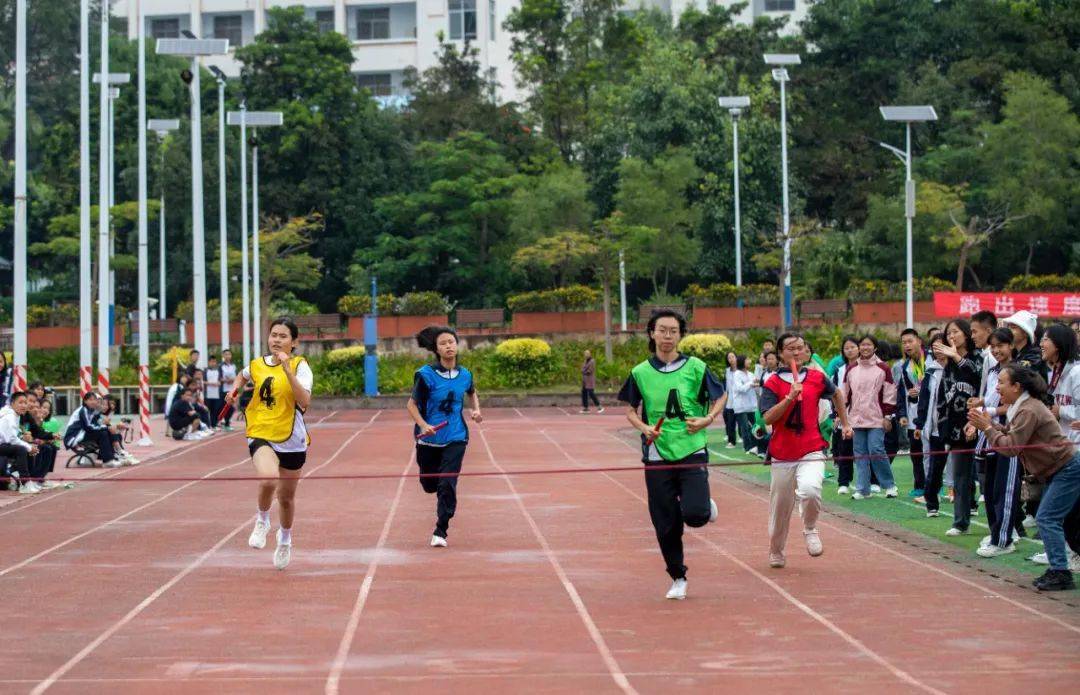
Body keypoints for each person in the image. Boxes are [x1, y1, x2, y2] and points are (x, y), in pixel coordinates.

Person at [619, 310, 724, 600]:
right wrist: (644, 427)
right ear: (651, 333)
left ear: (680, 335)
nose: (667, 336)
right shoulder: (640, 372)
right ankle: (678, 576)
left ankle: (704, 505)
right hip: (657, 454)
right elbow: (629, 409)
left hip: (691, 447)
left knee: (695, 515)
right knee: (665, 522)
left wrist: (708, 419)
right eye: (662, 330)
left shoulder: (696, 367)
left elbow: (720, 394)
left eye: (673, 331)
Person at [969, 365, 1080, 591]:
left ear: (1017, 387)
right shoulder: (1021, 407)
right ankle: (1061, 568)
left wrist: (988, 427)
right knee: (1068, 523)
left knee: (1047, 518)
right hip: (1057, 470)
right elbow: (1012, 435)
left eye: (1001, 383)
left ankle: (1060, 572)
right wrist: (991, 426)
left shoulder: (1028, 409)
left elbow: (1011, 447)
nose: (997, 387)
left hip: (1067, 469)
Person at [225, 317, 313, 571]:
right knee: (267, 479)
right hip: (261, 431)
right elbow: (242, 377)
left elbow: (304, 400)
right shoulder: (257, 364)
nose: (277, 340)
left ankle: (285, 540)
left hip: (291, 439)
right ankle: (262, 519)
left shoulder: (300, 367)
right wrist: (233, 392)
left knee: (286, 499)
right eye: (274, 335)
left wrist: (287, 371)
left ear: (294, 342)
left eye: (283, 336)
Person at [761, 333, 853, 568]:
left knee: (811, 489)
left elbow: (836, 394)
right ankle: (776, 549)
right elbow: (768, 417)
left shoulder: (816, 377)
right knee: (780, 509)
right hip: (782, 453)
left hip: (811, 447)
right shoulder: (772, 382)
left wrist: (845, 422)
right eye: (790, 348)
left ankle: (810, 528)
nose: (796, 352)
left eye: (800, 347)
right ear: (781, 353)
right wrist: (790, 397)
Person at [406, 325, 483, 548]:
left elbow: (471, 392)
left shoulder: (466, 374)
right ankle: (434, 487)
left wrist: (475, 410)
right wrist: (423, 425)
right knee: (430, 485)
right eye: (443, 343)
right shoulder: (426, 375)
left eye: (451, 342)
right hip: (429, 439)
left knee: (447, 483)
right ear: (436, 349)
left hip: (456, 436)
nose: (449, 346)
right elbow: (411, 405)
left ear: (456, 345)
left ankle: (441, 529)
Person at [967, 327, 1022, 557]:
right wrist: (978, 405)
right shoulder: (991, 371)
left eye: (1001, 345)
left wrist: (985, 411)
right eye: (993, 347)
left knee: (1005, 490)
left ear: (1011, 346)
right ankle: (996, 532)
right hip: (989, 435)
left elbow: (1013, 405)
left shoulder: (1018, 372)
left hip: (1008, 435)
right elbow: (990, 398)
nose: (997, 350)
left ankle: (1004, 539)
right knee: (989, 489)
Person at [935, 320, 984, 536]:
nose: (951, 336)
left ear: (966, 334)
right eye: (948, 333)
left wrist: (956, 356)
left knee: (985, 477)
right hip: (956, 429)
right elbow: (942, 398)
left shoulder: (979, 357)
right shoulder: (949, 366)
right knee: (961, 476)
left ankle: (1011, 526)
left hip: (981, 423)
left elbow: (977, 376)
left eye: (955, 331)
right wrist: (943, 425)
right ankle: (960, 521)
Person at [843, 335, 898, 500]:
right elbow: (845, 394)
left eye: (869, 345)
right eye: (862, 345)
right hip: (856, 419)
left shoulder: (883, 368)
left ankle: (889, 485)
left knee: (876, 450)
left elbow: (889, 394)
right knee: (860, 453)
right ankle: (862, 489)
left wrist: (888, 416)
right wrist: (842, 416)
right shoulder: (851, 368)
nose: (865, 347)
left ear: (875, 348)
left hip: (876, 418)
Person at [897, 329, 927, 498]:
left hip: (931, 416)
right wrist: (902, 414)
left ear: (919, 341)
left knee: (931, 452)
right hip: (913, 415)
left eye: (910, 341)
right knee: (916, 453)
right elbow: (901, 393)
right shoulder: (905, 367)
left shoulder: (931, 360)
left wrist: (921, 391)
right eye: (904, 342)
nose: (907, 345)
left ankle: (935, 486)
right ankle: (919, 485)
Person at [1042, 323, 1079, 444]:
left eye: (1045, 340)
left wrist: (1060, 411)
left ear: (1058, 344)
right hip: (1065, 445)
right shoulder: (1058, 371)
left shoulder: (1076, 372)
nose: (1041, 344)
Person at [832, 337, 860, 495]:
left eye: (853, 347)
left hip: (865, 415)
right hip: (846, 416)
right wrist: (837, 414)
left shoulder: (869, 367)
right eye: (846, 348)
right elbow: (835, 394)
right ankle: (844, 482)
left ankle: (871, 481)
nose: (850, 350)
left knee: (865, 450)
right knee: (845, 450)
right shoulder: (840, 370)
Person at [63, 391, 117, 467]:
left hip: (82, 434)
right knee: (103, 433)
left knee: (107, 431)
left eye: (95, 400)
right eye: (90, 400)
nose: (94, 402)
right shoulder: (83, 410)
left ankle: (113, 456)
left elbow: (97, 425)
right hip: (74, 437)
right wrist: (105, 427)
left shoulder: (92, 411)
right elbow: (88, 427)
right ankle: (108, 460)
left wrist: (106, 427)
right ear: (85, 401)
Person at [1, 392, 40, 493]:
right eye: (20, 402)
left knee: (26, 448)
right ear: (12, 403)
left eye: (25, 403)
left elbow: (11, 436)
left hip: (3, 444)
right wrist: (29, 447)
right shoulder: (9, 416)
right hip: (3, 445)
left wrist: (28, 443)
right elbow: (11, 439)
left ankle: (27, 479)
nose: (23, 405)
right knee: (21, 449)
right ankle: (25, 483)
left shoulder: (15, 415)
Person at [20, 393, 59, 488]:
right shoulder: (16, 415)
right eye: (30, 401)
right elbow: (13, 434)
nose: (33, 405)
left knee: (51, 447)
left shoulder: (28, 416)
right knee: (41, 447)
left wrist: (52, 435)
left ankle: (39, 478)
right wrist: (24, 438)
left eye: (34, 402)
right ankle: (32, 479)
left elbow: (38, 432)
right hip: (14, 444)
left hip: (26, 442)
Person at [730, 355, 759, 455]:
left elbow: (755, 388)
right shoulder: (737, 374)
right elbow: (740, 388)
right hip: (741, 406)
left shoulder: (751, 374)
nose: (749, 361)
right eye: (747, 360)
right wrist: (751, 383)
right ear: (742, 361)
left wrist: (756, 385)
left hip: (751, 405)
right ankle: (748, 447)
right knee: (745, 427)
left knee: (755, 426)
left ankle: (756, 446)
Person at [1001, 310, 1045, 377]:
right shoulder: (1014, 353)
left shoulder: (1034, 355)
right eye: (1008, 327)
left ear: (1025, 333)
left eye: (1013, 327)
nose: (1009, 331)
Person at [100, 395, 139, 465]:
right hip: (98, 434)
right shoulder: (100, 413)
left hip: (104, 432)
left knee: (118, 434)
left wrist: (120, 425)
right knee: (114, 432)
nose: (111, 406)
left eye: (113, 404)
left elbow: (110, 423)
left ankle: (120, 453)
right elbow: (105, 424)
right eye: (110, 403)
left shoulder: (109, 413)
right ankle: (120, 452)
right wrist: (117, 425)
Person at [723, 351, 739, 447]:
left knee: (744, 423)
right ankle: (731, 441)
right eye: (729, 358)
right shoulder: (727, 371)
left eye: (733, 357)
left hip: (740, 400)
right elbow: (727, 387)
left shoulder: (741, 370)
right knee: (730, 422)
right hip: (730, 400)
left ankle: (750, 442)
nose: (731, 359)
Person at [219, 349, 238, 431]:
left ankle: (226, 423)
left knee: (231, 408)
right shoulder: (220, 366)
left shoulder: (233, 366)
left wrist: (234, 380)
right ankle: (224, 423)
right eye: (226, 354)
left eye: (229, 354)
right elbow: (218, 378)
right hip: (224, 390)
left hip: (232, 390)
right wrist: (226, 380)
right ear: (223, 356)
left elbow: (237, 377)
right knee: (226, 407)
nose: (228, 356)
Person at [205, 354, 224, 428]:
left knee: (215, 410)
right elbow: (203, 381)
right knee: (208, 410)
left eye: (214, 362)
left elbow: (220, 381)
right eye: (212, 362)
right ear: (209, 362)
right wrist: (210, 383)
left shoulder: (218, 371)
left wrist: (219, 383)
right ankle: (208, 425)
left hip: (216, 394)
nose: (213, 363)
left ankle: (214, 424)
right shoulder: (205, 371)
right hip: (208, 394)